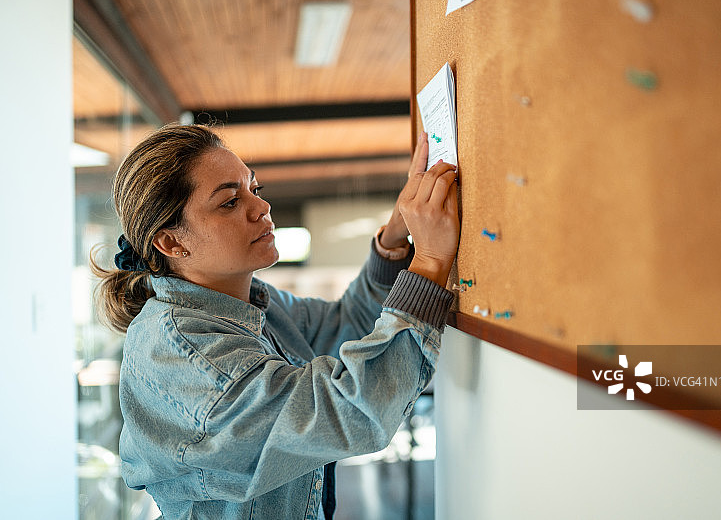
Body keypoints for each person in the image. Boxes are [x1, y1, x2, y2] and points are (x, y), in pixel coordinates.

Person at [90, 123, 459, 519]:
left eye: (254, 189)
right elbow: (352, 412)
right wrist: (431, 264)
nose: (261, 207)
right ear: (173, 242)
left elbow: (345, 324)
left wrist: (395, 237)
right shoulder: (183, 351)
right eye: (230, 202)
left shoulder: (243, 302)